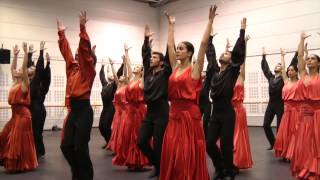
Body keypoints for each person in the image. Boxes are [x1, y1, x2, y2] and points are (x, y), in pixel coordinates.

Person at [159, 6, 216, 180]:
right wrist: (171, 26)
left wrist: (210, 21)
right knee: (172, 150)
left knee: (186, 150)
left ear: (189, 53)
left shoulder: (195, 68)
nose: (178, 50)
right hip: (174, 114)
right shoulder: (175, 67)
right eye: (179, 48)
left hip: (189, 116)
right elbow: (169, 45)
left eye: (182, 48)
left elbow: (203, 44)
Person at [206, 17, 247, 180]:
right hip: (215, 113)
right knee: (209, 144)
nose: (225, 54)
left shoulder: (232, 71)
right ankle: (220, 167)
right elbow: (210, 55)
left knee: (226, 146)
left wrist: (242, 32)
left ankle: (229, 171)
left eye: (228, 53)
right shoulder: (215, 72)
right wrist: (209, 39)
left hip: (227, 113)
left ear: (232, 61)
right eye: (224, 53)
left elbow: (238, 54)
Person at [57, 10, 96, 180]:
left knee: (80, 147)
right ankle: (77, 171)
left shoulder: (89, 71)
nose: (77, 57)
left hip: (84, 111)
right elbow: (66, 53)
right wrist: (61, 33)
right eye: (77, 56)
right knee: (66, 146)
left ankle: (86, 176)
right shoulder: (72, 70)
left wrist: (82, 27)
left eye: (80, 56)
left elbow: (85, 51)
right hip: (74, 111)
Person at [137, 24, 171, 178]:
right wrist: (145, 39)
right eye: (152, 57)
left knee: (158, 145)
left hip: (162, 111)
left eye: (155, 57)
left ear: (162, 62)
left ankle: (160, 168)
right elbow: (145, 56)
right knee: (142, 142)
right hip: (149, 111)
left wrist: (170, 28)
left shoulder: (165, 73)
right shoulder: (148, 74)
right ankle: (157, 164)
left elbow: (170, 56)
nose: (151, 59)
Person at [0, 43, 38, 172]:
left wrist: (26, 53)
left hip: (23, 116)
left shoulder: (24, 83)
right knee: (4, 135)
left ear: (24, 75)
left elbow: (23, 68)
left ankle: (19, 164)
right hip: (15, 116)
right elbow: (12, 68)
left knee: (18, 140)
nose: (17, 70)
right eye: (16, 71)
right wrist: (15, 55)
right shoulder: (14, 82)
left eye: (20, 71)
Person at [290, 32, 320, 179]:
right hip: (303, 116)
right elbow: (299, 56)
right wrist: (301, 39)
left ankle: (315, 170)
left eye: (313, 58)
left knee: (316, 145)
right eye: (308, 59)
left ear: (318, 63)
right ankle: (306, 168)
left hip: (317, 116)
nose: (309, 60)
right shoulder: (302, 74)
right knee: (304, 145)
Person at [231, 35, 253, 170]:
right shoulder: (227, 77)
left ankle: (237, 161)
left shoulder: (241, 76)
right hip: (228, 109)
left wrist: (244, 44)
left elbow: (243, 60)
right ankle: (228, 160)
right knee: (228, 135)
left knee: (238, 136)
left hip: (239, 110)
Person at [274, 49, 300, 160]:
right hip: (287, 111)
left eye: (292, 70)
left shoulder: (300, 83)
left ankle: (293, 153)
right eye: (289, 70)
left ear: (296, 72)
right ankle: (286, 152)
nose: (289, 72)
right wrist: (282, 56)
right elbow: (283, 69)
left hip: (296, 111)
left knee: (294, 132)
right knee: (285, 133)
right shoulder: (286, 81)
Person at [28, 41, 51, 159]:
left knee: (37, 132)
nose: (31, 67)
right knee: (33, 133)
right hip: (32, 110)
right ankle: (38, 150)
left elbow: (42, 72)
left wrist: (42, 53)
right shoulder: (29, 82)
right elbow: (27, 67)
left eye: (33, 67)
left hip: (38, 111)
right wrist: (29, 55)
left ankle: (39, 151)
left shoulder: (37, 83)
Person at [261, 47, 284, 150]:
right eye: (276, 65)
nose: (277, 66)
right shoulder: (270, 77)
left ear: (282, 69)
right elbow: (265, 68)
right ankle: (273, 143)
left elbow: (291, 64)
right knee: (265, 124)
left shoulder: (284, 78)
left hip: (281, 105)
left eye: (279, 65)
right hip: (271, 104)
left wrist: (283, 56)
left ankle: (281, 147)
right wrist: (264, 56)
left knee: (280, 128)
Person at [98, 60, 123, 149]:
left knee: (106, 126)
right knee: (101, 127)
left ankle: (113, 144)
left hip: (111, 108)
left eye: (113, 75)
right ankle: (109, 142)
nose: (111, 75)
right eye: (110, 75)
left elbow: (119, 74)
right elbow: (101, 76)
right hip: (105, 108)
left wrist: (123, 63)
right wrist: (102, 67)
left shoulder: (114, 85)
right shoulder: (105, 84)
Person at [200, 30, 217, 138]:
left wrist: (209, 40)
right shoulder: (195, 79)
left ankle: (205, 138)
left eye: (204, 72)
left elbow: (211, 62)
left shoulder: (208, 80)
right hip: (196, 104)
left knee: (206, 122)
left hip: (206, 103)